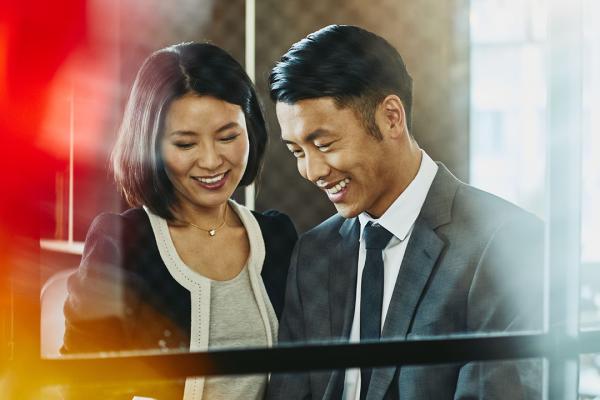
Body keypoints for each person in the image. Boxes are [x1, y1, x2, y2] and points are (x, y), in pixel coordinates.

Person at [266, 25, 543, 400]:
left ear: (391, 117)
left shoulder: (505, 243)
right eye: (298, 152)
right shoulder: (314, 253)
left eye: (324, 144)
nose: (312, 171)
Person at [62, 42, 297, 400]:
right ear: (151, 147)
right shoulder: (122, 243)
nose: (211, 161)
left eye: (228, 137)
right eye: (186, 144)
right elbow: (80, 385)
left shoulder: (278, 238)